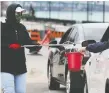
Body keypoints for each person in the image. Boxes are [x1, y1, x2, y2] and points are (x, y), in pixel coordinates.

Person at [1, 3, 41, 93]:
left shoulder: (22, 28)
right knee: (9, 90)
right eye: (17, 13)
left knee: (21, 91)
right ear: (11, 13)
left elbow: (28, 42)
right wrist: (8, 46)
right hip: (5, 66)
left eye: (20, 13)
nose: (19, 15)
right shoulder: (2, 27)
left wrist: (36, 46)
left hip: (20, 67)